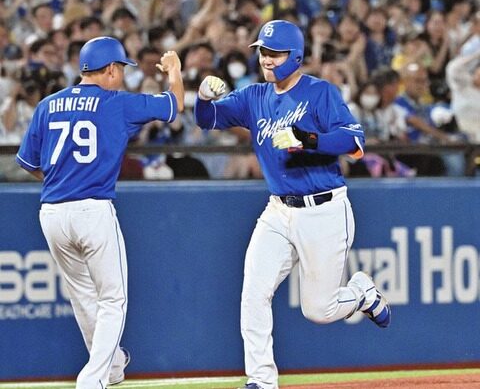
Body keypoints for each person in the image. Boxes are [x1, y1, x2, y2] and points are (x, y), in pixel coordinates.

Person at [194, 20, 391, 389]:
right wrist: (202, 97)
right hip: (278, 210)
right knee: (253, 292)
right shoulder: (254, 97)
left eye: (274, 53)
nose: (266, 60)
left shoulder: (320, 93)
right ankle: (261, 380)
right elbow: (207, 120)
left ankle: (361, 292)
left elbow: (355, 141)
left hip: (325, 210)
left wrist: (310, 139)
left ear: (295, 56)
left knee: (318, 310)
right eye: (263, 52)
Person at [15, 36, 184, 389]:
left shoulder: (47, 105)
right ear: (109, 70)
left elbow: (29, 163)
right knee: (112, 300)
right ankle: (92, 379)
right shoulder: (115, 103)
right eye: (120, 68)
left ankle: (112, 367)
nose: (121, 75)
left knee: (84, 297)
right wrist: (175, 72)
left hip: (53, 212)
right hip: (92, 210)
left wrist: (63, 179)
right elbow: (175, 104)